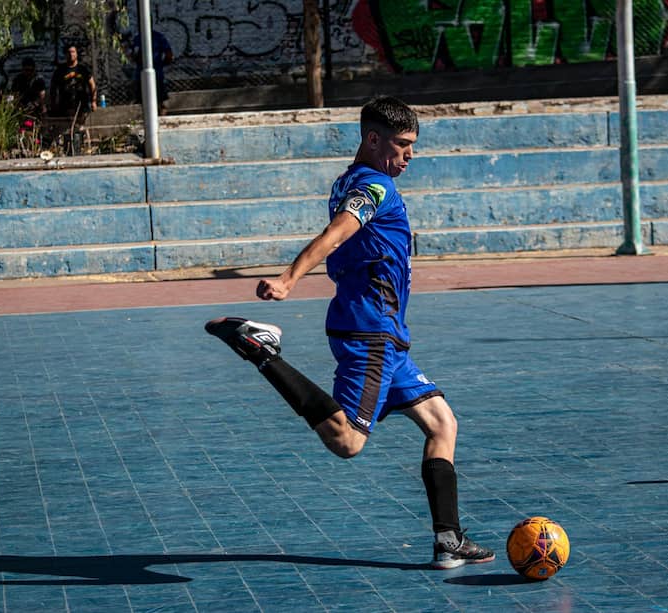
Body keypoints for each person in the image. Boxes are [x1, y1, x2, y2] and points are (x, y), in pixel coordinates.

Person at [205, 96, 495, 570]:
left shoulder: (354, 180)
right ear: (373, 139)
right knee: (347, 441)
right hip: (370, 332)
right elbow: (336, 234)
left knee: (443, 423)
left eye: (412, 146)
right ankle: (261, 350)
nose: (409, 155)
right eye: (401, 145)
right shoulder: (373, 187)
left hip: (386, 335)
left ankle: (448, 540)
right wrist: (288, 279)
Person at [49, 45, 97, 121]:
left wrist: (93, 101)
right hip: (65, 105)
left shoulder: (83, 69)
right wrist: (53, 103)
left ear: (77, 54)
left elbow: (92, 84)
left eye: (73, 52)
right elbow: (53, 87)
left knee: (81, 126)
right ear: (65, 54)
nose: (71, 54)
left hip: (81, 104)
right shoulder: (60, 70)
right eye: (69, 52)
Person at [131, 29, 173, 115]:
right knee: (160, 100)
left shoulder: (138, 38)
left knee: (144, 100)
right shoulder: (158, 37)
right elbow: (169, 54)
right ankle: (161, 117)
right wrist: (162, 64)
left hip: (142, 74)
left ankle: (148, 116)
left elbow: (133, 55)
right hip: (156, 73)